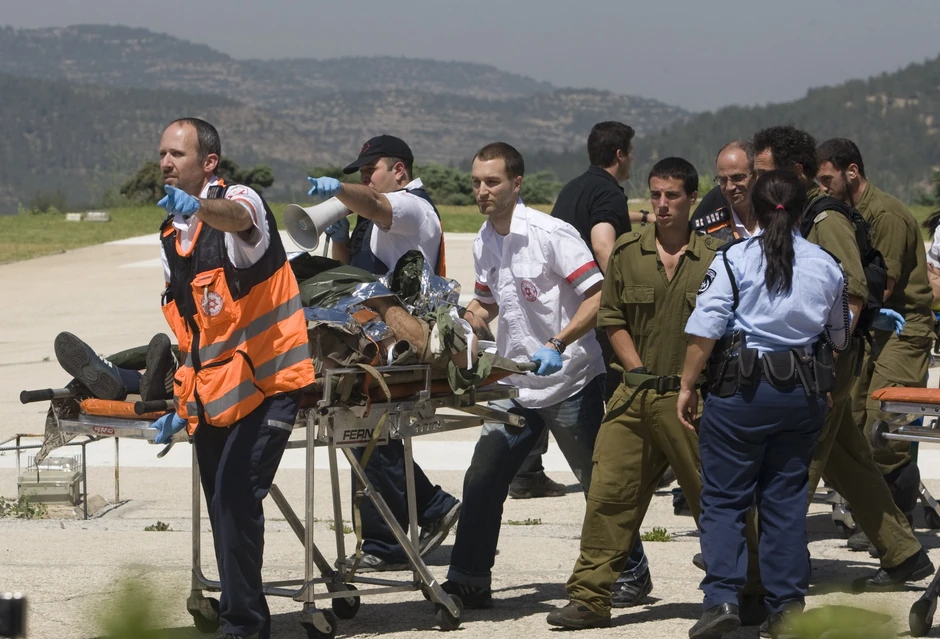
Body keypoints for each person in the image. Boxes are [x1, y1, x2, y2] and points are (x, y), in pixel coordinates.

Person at [751, 125, 932, 592]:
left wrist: (825, 363)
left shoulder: (825, 219)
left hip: (824, 363)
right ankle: (903, 553)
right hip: (816, 359)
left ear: (794, 171)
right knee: (846, 458)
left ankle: (764, 570)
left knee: (797, 461)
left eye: (763, 173)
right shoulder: (798, 215)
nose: (756, 183)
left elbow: (852, 291)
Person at [547, 157, 725, 630]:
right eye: (655, 194)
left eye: (672, 195)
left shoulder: (717, 257)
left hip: (690, 402)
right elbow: (612, 316)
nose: (662, 204)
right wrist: (638, 370)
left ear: (692, 198)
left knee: (715, 499)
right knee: (609, 496)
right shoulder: (628, 251)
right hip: (634, 396)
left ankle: (746, 589)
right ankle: (590, 598)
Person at [155, 117, 316, 639]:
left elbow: (242, 219)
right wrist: (181, 404)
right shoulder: (170, 236)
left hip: (270, 385)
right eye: (162, 154)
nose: (165, 163)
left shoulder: (237, 201)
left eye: (177, 154)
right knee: (223, 509)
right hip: (216, 396)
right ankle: (240, 615)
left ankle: (243, 625)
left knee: (234, 498)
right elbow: (193, 332)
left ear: (208, 163)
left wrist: (200, 207)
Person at [679, 169, 846, 639]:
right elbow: (838, 335)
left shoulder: (733, 259)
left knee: (724, 500)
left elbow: (706, 328)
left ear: (753, 207)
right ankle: (786, 609)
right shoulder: (827, 264)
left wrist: (687, 386)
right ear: (801, 211)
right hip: (801, 395)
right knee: (785, 504)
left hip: (741, 394)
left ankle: (721, 600)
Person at [442, 142, 606, 608]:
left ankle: (629, 572)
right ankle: (469, 580)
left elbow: (599, 296)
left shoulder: (551, 234)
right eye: (476, 182)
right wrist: (459, 325)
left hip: (569, 378)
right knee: (483, 477)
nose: (482, 191)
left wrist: (559, 343)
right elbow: (487, 302)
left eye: (492, 182)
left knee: (599, 485)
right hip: (514, 380)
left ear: (517, 183)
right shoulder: (483, 240)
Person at [306, 136, 460, 571]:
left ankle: (402, 529)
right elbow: (351, 274)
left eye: (369, 170)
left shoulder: (411, 207)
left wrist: (339, 191)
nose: (364, 179)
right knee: (363, 436)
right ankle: (417, 516)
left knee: (364, 434)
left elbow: (376, 204)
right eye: (359, 173)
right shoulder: (374, 217)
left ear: (399, 171)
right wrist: (340, 240)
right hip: (368, 342)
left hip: (395, 342)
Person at [499, 121, 634, 503]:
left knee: (540, 393)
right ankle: (621, 486)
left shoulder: (574, 187)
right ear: (620, 154)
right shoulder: (609, 192)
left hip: (552, 314)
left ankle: (526, 473)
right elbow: (602, 244)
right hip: (584, 311)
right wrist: (625, 294)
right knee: (604, 395)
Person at [816, 138, 932, 543]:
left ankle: (895, 526)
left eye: (827, 178)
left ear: (852, 172)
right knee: (851, 421)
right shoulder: (843, 213)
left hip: (903, 330)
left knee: (884, 425)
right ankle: (875, 518)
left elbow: (880, 287)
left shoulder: (885, 215)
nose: (822, 187)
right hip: (866, 328)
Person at [690, 141, 759, 241]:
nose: (729, 187)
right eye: (722, 180)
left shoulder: (779, 219)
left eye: (738, 177)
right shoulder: (706, 232)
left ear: (756, 175)